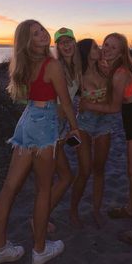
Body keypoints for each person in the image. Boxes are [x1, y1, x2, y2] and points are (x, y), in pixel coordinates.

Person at [0, 20, 80, 264]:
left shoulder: (25, 64)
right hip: (44, 124)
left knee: (9, 187)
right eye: (35, 33)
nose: (42, 34)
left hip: (27, 120)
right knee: (43, 189)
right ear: (28, 41)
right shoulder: (52, 65)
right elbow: (66, 103)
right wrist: (74, 127)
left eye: (41, 29)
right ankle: (39, 250)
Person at [81, 33, 132, 244]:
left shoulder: (120, 73)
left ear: (122, 52)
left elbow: (113, 108)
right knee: (131, 170)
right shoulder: (117, 69)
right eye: (105, 44)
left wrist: (88, 105)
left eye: (114, 47)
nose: (107, 49)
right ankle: (131, 209)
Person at [70, 38, 119, 228]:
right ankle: (73, 210)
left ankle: (96, 210)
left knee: (99, 169)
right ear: (86, 52)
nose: (99, 49)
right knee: (84, 169)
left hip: (105, 123)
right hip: (84, 124)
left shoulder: (107, 70)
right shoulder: (78, 76)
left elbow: (119, 92)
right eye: (95, 48)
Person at [50, 28, 82, 217]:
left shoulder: (76, 67)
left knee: (60, 176)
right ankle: (39, 219)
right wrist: (74, 126)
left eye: (69, 41)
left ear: (74, 42)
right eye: (62, 42)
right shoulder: (57, 66)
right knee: (61, 177)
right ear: (57, 46)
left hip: (61, 125)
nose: (67, 45)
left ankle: (41, 218)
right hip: (51, 124)